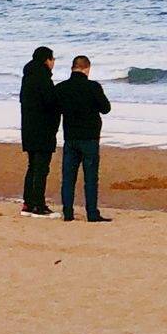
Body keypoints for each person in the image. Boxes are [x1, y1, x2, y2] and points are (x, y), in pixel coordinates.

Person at [56, 54, 111, 223]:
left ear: (73, 68)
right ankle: (92, 213)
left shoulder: (61, 88)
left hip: (70, 136)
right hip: (90, 137)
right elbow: (105, 108)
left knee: (68, 177)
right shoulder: (93, 87)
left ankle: (67, 212)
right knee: (91, 178)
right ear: (87, 68)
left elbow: (54, 108)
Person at [18, 45, 60, 215]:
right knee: (41, 168)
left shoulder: (27, 77)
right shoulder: (43, 78)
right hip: (42, 129)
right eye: (53, 59)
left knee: (32, 166)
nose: (53, 63)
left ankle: (28, 203)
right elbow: (50, 102)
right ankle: (38, 205)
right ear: (47, 60)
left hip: (28, 128)